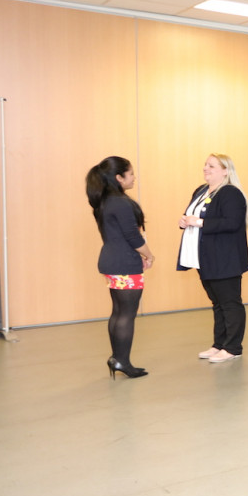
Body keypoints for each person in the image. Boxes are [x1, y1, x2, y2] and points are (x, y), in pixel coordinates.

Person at [177, 154, 248, 364]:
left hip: (225, 259)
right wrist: (184, 221)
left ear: (226, 171)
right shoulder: (201, 191)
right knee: (217, 303)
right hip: (204, 258)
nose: (205, 168)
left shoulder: (230, 193)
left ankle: (233, 347)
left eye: (211, 166)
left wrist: (199, 222)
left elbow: (232, 223)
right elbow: (193, 215)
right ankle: (219, 344)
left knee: (230, 303)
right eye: (205, 165)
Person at [86, 155, 155, 379]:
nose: (134, 177)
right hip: (125, 263)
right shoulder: (121, 202)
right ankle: (122, 361)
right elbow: (133, 237)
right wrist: (149, 255)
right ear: (119, 177)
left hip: (111, 261)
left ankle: (117, 358)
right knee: (126, 314)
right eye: (131, 173)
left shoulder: (104, 201)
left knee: (118, 312)